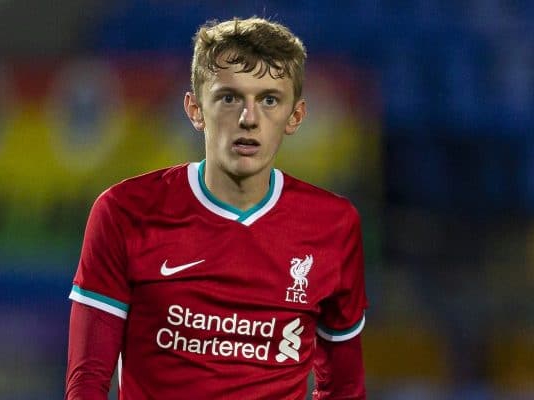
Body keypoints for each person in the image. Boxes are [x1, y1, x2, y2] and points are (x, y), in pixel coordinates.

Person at [65, 16, 368, 400]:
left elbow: (343, 386)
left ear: (296, 116)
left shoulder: (334, 225)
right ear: (195, 110)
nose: (249, 119)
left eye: (269, 100)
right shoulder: (123, 212)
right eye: (229, 98)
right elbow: (87, 381)